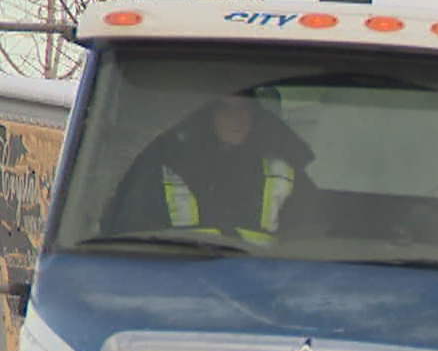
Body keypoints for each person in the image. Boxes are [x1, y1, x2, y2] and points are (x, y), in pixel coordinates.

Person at [110, 91, 314, 243]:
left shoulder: (283, 173)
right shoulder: (163, 171)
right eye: (226, 109)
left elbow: (309, 237)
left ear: (256, 115)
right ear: (207, 117)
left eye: (245, 108)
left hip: (264, 282)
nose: (237, 118)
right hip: (177, 281)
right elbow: (131, 239)